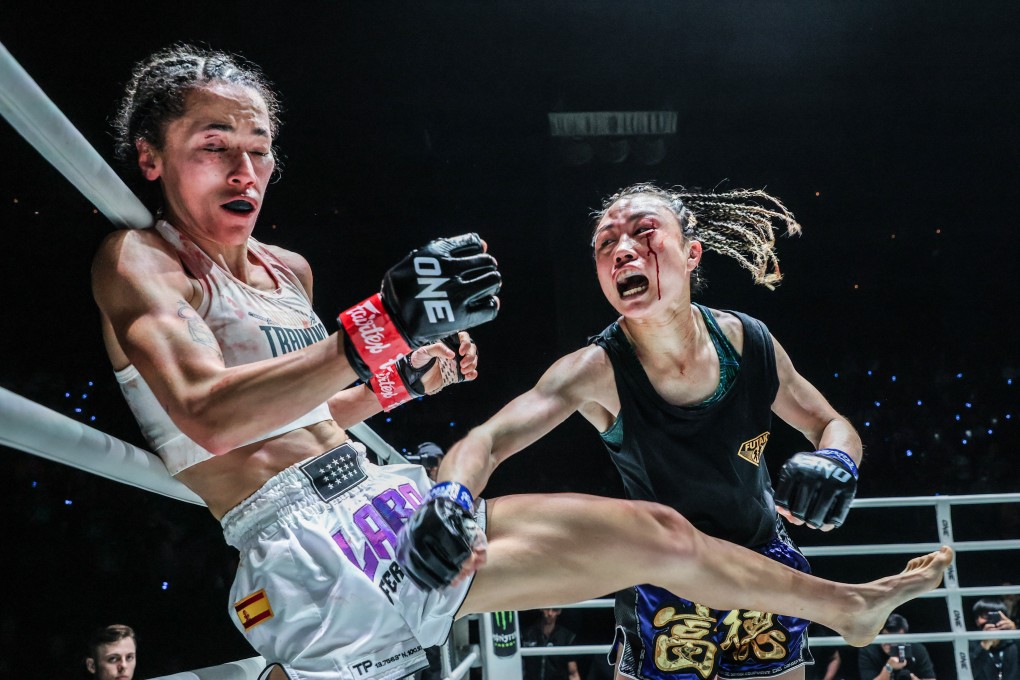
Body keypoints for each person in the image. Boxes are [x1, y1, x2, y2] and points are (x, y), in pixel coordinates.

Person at [94, 44, 951, 679]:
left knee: (656, 535)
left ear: (692, 254)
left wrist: (394, 380)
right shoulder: (140, 259)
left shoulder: (288, 272)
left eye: (259, 144)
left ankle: (850, 606)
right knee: (654, 542)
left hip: (371, 491)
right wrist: (379, 336)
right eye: (215, 145)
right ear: (151, 156)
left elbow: (303, 416)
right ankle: (853, 608)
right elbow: (206, 414)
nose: (246, 168)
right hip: (301, 534)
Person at [396, 182, 901, 680]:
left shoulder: (748, 341)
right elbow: (489, 440)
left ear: (691, 252)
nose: (622, 250)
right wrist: (450, 495)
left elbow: (831, 423)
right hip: (667, 583)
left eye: (644, 232)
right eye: (606, 242)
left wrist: (837, 459)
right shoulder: (594, 370)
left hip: (762, 568)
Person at [858, 614, 935, 680]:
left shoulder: (917, 649)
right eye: (886, 638)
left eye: (896, 639)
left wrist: (913, 678)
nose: (890, 643)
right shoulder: (869, 651)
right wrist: (888, 667)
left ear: (905, 638)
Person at [522, 608, 581, 680]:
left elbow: (573, 674)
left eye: (554, 610)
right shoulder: (527, 634)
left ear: (559, 611)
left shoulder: (567, 637)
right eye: (547, 609)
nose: (550, 613)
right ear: (541, 608)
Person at [970, 598, 1018, 680]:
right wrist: (984, 646)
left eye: (992, 615)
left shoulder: (1014, 644)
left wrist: (1015, 634)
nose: (980, 620)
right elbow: (967, 674)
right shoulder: (971, 645)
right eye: (978, 616)